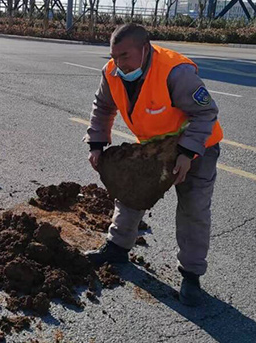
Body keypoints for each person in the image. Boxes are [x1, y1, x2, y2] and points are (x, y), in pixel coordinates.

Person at [84, 24, 223, 307]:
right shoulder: (112, 72)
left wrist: (186, 154)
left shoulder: (175, 72)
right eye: (114, 56)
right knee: (131, 190)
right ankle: (118, 246)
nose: (118, 64)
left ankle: (191, 276)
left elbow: (206, 113)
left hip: (197, 148)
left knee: (193, 210)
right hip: (155, 148)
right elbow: (103, 107)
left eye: (125, 56)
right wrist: (96, 143)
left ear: (145, 49)